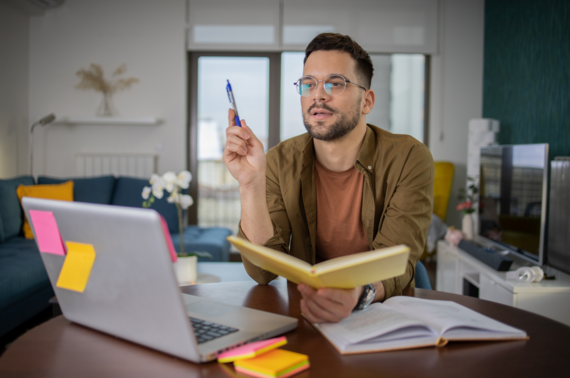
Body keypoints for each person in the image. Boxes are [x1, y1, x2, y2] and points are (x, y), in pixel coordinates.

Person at [223, 33, 434, 323]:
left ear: (366, 101)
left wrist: (356, 295)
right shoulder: (278, 161)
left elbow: (397, 260)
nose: (318, 94)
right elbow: (262, 271)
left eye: (335, 83)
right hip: (309, 310)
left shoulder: (409, 157)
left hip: (382, 310)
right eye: (308, 84)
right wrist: (250, 184)